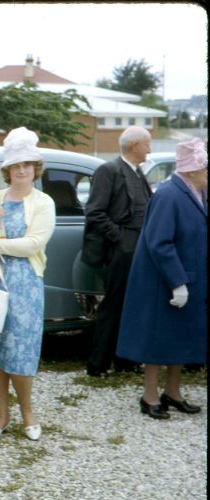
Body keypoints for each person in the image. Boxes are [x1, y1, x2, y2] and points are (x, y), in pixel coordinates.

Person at [0, 127, 55, 441]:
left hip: (25, 284)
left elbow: (32, 244)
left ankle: (28, 413)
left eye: (27, 165)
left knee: (22, 349)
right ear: (7, 170)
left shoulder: (43, 202)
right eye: (16, 165)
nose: (21, 170)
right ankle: (1, 415)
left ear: (35, 169)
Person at [116, 137, 207, 419]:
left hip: (189, 277)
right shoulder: (169, 194)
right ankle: (150, 395)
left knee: (179, 337)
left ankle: (173, 392)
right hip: (165, 281)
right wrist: (177, 281)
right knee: (157, 340)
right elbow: (159, 242)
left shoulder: (197, 192)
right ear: (192, 171)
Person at [82, 126, 153, 378]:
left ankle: (126, 359)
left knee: (132, 305)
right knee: (112, 305)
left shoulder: (137, 171)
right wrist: (121, 239)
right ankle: (98, 364)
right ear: (135, 146)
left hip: (138, 248)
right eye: (147, 144)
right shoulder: (109, 170)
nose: (150, 149)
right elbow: (95, 212)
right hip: (121, 250)